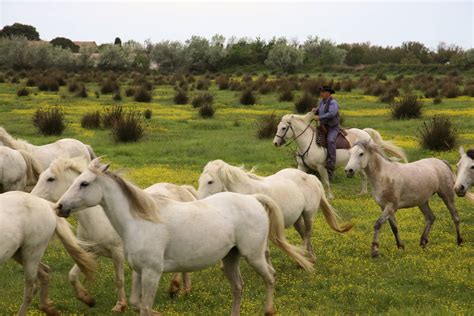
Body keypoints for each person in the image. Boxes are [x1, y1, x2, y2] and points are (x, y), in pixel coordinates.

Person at [312, 86, 340, 180]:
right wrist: (315, 110)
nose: (321, 94)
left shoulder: (333, 102)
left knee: (330, 141)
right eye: (321, 92)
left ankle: (331, 163)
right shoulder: (321, 102)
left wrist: (319, 117)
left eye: (323, 92)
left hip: (332, 127)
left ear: (328, 93)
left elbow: (332, 113)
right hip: (323, 126)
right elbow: (319, 109)